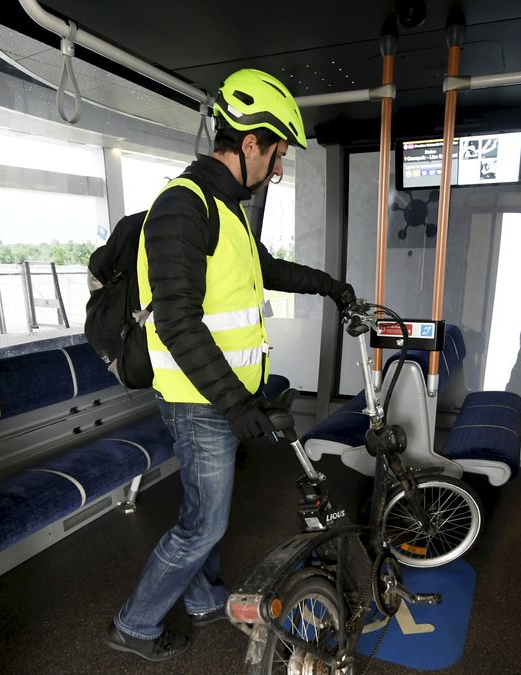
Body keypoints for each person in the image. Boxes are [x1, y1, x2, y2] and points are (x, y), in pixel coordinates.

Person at [103, 68, 356, 662]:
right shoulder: (180, 209)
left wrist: (330, 287)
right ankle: (135, 625)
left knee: (203, 510)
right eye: (278, 155)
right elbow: (177, 321)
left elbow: (262, 269)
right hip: (197, 399)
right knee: (204, 526)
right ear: (250, 144)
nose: (280, 168)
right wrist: (236, 403)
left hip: (216, 395)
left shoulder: (226, 208)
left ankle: (199, 598)